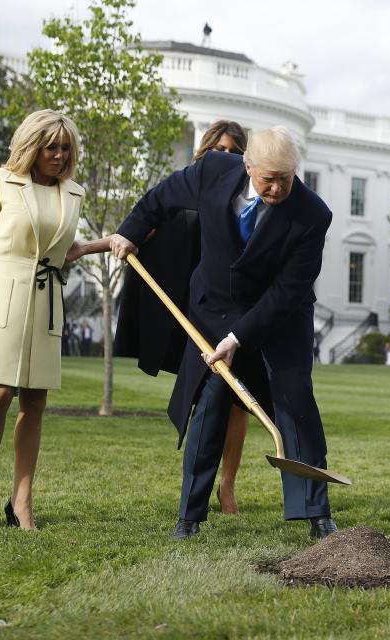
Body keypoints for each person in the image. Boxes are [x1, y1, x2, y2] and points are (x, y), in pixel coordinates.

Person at [109, 125, 338, 541]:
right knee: (211, 403)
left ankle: (316, 513)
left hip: (280, 318)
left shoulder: (312, 214)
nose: (277, 187)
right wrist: (130, 230)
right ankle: (189, 516)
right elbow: (161, 197)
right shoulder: (213, 170)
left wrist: (239, 338)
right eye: (268, 178)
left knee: (294, 399)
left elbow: (288, 292)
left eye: (286, 178)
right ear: (247, 165)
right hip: (214, 310)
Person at [0, 109, 94, 530]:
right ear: (32, 145)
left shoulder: (74, 193)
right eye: (51, 147)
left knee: (36, 401)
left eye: (66, 148)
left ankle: (22, 500)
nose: (60, 155)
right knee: (0, 393)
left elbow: (62, 250)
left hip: (47, 301)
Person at [113, 120, 259, 516]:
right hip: (190, 307)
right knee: (205, 397)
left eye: (234, 151)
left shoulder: (249, 199)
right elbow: (147, 220)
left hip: (231, 308)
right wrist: (115, 238)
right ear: (204, 150)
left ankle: (226, 486)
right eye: (218, 149)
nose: (224, 157)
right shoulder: (188, 186)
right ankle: (197, 488)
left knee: (236, 400)